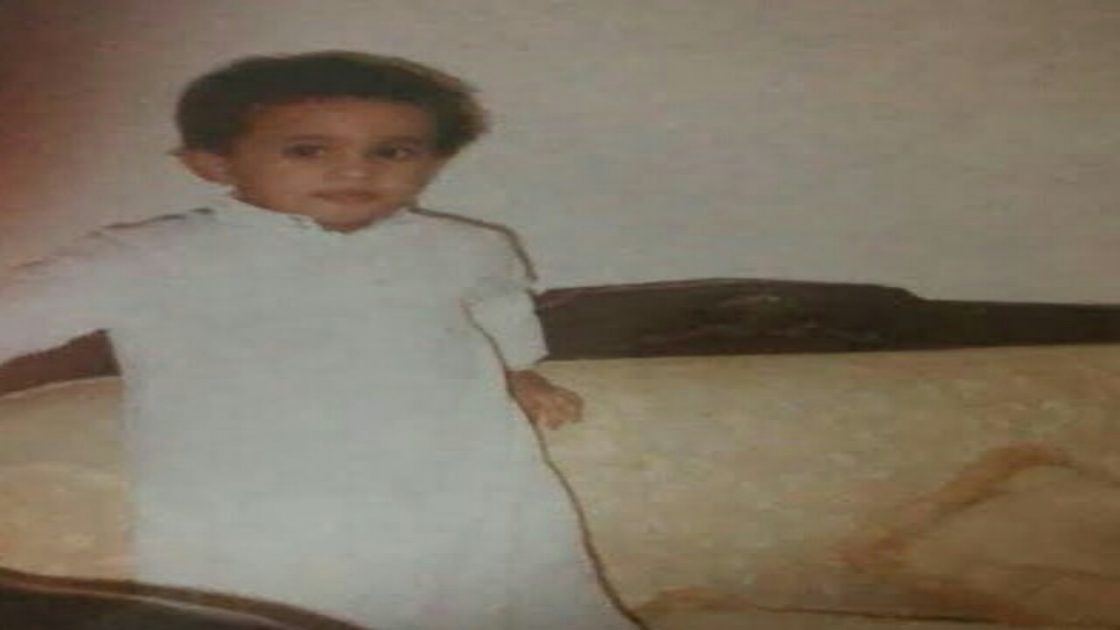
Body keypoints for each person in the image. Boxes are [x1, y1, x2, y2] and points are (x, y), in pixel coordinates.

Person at [0, 51, 639, 629]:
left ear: (434, 161)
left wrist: (518, 369)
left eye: (394, 151)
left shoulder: (467, 246)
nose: (355, 169)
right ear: (213, 162)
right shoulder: (147, 257)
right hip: (259, 492)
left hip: (460, 475)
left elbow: (499, 301)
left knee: (508, 586)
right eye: (307, 150)